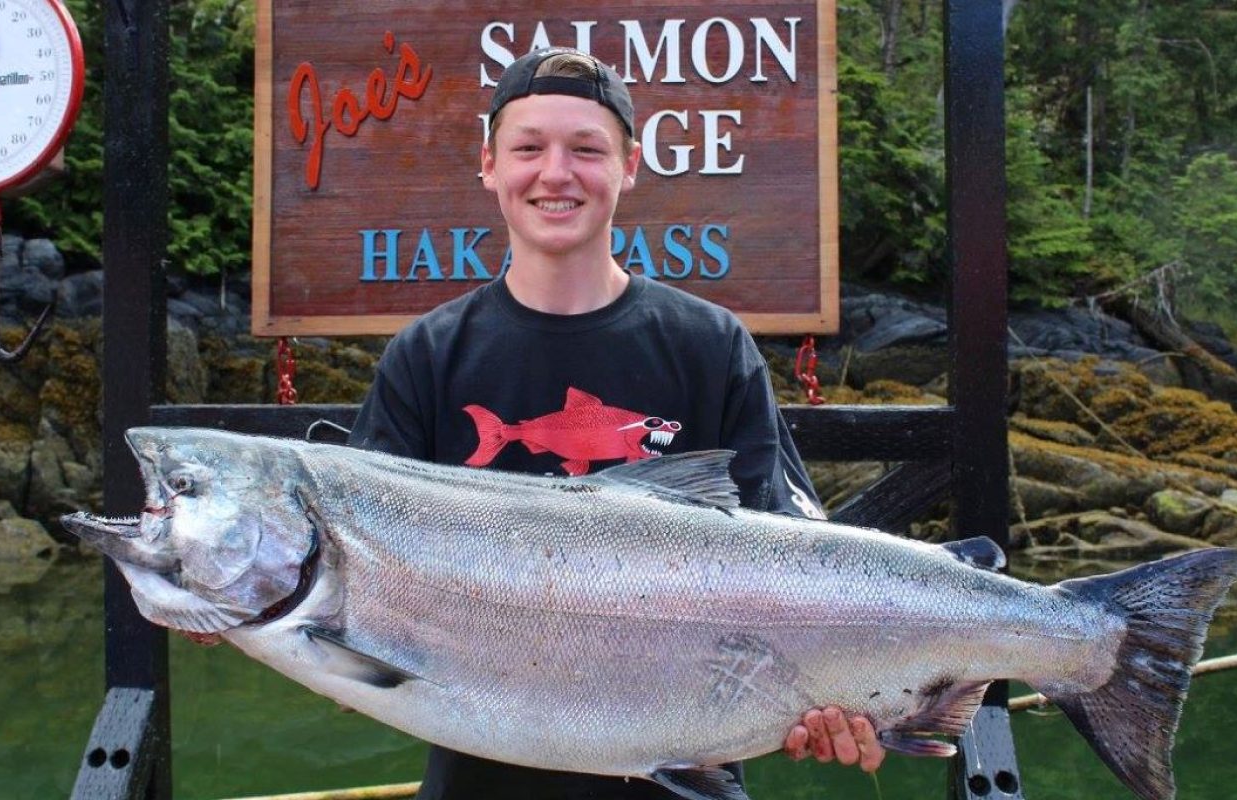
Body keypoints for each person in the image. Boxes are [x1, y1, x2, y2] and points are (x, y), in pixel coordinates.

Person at [348, 46, 884, 800]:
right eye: (529, 147)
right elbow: (352, 574)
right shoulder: (427, 357)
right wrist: (228, 591)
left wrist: (840, 688)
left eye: (587, 150)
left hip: (690, 772)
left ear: (630, 165)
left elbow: (794, 560)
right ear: (489, 165)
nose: (556, 173)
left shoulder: (710, 345)